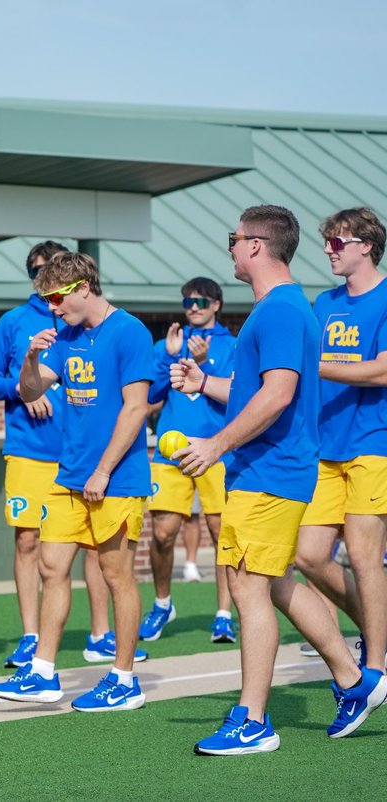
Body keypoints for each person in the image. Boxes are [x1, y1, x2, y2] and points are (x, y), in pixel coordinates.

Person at [172, 205, 384, 754]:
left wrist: (217, 444)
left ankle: (254, 720)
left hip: (271, 471)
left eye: (234, 238)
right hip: (267, 469)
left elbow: (279, 393)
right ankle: (353, 680)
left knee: (247, 586)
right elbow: (255, 391)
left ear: (257, 246)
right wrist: (205, 382)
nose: (231, 248)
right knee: (274, 580)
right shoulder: (282, 307)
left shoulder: (283, 310)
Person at [0, 250, 152, 713]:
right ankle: (42, 672)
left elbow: (136, 408)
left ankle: (124, 679)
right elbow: (29, 391)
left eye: (58, 298)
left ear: (83, 287)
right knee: (50, 567)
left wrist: (103, 470)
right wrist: (32, 356)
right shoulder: (65, 336)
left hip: (117, 478)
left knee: (117, 575)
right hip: (69, 475)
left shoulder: (129, 331)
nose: (53, 309)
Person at [295, 209, 387, 676]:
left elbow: (384, 370)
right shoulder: (322, 303)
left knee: (364, 557)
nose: (329, 249)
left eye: (337, 241)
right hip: (324, 449)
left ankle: (375, 664)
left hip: (374, 444)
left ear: (366, 245)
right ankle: (380, 634)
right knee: (308, 556)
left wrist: (317, 367)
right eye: (328, 242)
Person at [143, 277, 236, 643]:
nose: (193, 307)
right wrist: (170, 355)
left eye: (200, 301)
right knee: (163, 534)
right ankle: (163, 604)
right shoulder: (167, 344)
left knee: (220, 533)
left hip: (217, 449)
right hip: (170, 452)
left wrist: (203, 364)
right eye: (187, 301)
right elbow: (149, 394)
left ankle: (224, 615)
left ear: (216, 305)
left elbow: (237, 396)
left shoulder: (233, 345)